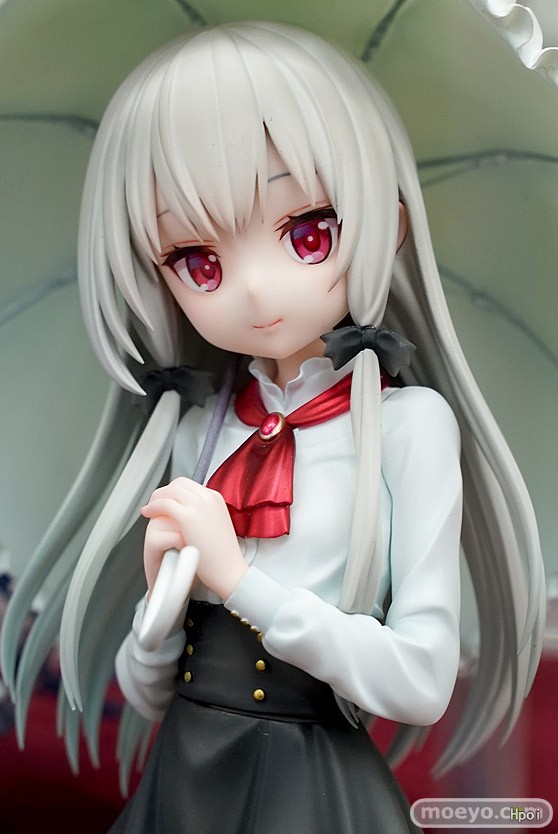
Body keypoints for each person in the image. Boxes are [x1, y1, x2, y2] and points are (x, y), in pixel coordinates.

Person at [1, 21, 544, 834]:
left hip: (306, 783)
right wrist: (160, 602)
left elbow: (421, 681)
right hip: (184, 772)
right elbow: (147, 692)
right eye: (199, 261)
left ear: (387, 227)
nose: (254, 290)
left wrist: (238, 581)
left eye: (308, 233)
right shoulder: (197, 428)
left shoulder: (408, 427)